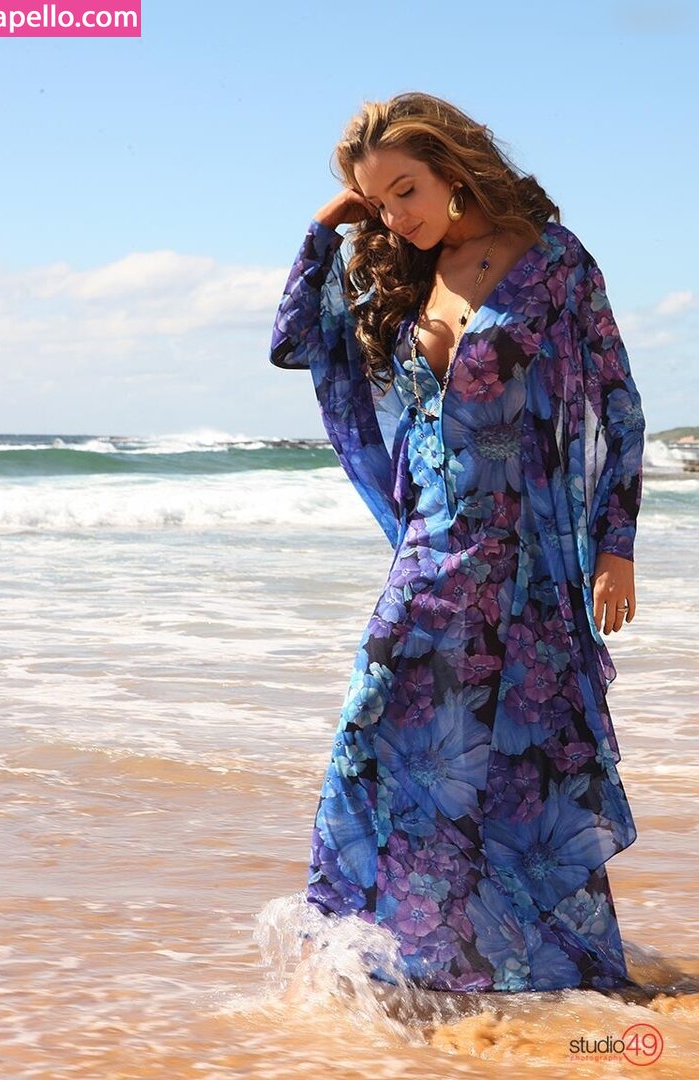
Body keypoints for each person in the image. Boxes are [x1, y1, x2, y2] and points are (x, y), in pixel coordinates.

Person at [268, 92, 646, 993]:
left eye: (407, 190)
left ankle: (536, 973)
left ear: (454, 169)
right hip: (431, 551)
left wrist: (616, 547)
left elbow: (620, 403)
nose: (397, 215)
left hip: (526, 564)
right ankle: (382, 957)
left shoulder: (554, 261)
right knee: (373, 732)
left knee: (524, 765)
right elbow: (293, 340)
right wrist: (328, 224)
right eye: (380, 201)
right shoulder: (403, 272)